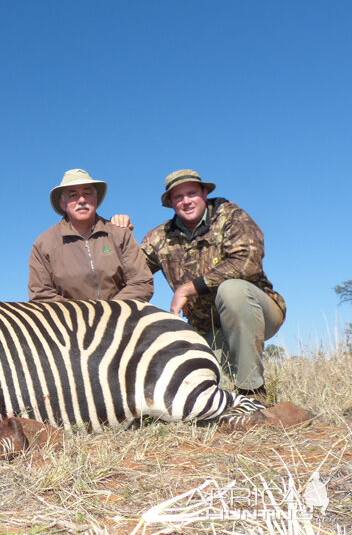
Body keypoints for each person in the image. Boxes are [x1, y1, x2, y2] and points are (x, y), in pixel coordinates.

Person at [141, 169, 286, 403]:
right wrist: (120, 236)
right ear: (170, 202)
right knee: (190, 387)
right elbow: (135, 273)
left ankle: (253, 393)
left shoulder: (231, 216)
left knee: (232, 291)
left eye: (192, 193)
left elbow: (246, 261)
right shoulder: (159, 237)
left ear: (205, 193)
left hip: (256, 311)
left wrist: (188, 288)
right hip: (205, 330)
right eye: (178, 197)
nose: (186, 201)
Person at [28, 168, 153, 303]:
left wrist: (109, 311)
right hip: (69, 322)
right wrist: (86, 314)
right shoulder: (44, 243)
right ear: (63, 204)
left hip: (121, 318)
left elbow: (142, 282)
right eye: (73, 195)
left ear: (95, 198)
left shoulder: (121, 234)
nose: (82, 200)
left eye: (87, 193)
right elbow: (40, 294)